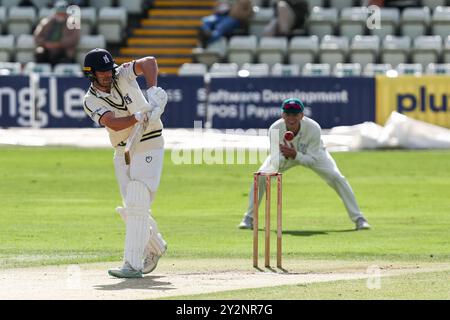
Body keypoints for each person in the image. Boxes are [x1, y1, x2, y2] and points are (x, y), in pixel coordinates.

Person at [82, 48, 168, 278]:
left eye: (108, 70)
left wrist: (153, 90)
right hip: (123, 151)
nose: (107, 75)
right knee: (132, 208)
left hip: (149, 141)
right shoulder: (90, 100)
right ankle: (156, 246)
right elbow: (112, 122)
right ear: (91, 74)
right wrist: (138, 116)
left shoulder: (122, 74)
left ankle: (132, 265)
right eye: (101, 72)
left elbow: (150, 61)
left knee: (138, 201)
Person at [238, 98, 371, 231]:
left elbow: (312, 160)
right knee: (261, 176)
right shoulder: (275, 129)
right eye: (288, 114)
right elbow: (275, 159)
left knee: (337, 178)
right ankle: (249, 218)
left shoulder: (313, 128)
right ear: (282, 115)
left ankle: (359, 219)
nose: (291, 118)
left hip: (314, 154)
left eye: (295, 114)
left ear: (302, 115)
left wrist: (296, 155)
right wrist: (286, 155)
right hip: (285, 156)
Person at [34, 0, 80, 66]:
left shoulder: (73, 22)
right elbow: (37, 36)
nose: (61, 14)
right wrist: (45, 43)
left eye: (63, 12)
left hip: (63, 49)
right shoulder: (46, 22)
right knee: (39, 53)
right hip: (46, 48)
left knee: (56, 54)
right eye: (59, 12)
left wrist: (59, 44)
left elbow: (74, 39)